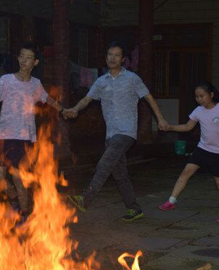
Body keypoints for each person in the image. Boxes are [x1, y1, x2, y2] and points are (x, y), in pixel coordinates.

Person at [63, 41, 168, 222]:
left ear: (123, 59)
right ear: (106, 58)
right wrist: (75, 109)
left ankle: (85, 199)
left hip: (126, 132)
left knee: (104, 163)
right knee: (120, 175)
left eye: (116, 55)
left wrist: (160, 118)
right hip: (111, 134)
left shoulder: (132, 79)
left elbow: (148, 98)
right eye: (110, 55)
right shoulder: (101, 81)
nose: (112, 58)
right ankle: (134, 209)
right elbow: (87, 99)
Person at [0, 42, 63, 219]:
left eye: (28, 57)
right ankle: (16, 202)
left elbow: (48, 100)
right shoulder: (5, 80)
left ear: (35, 62)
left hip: (24, 138)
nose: (24, 60)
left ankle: (25, 215)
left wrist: (64, 110)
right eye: (21, 56)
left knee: (17, 177)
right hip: (4, 136)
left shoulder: (36, 84)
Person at [158, 82, 219, 223]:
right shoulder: (198, 111)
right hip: (202, 149)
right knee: (186, 173)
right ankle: (171, 201)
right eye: (197, 97)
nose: (199, 99)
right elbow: (187, 127)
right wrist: (170, 127)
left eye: (202, 96)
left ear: (211, 95)